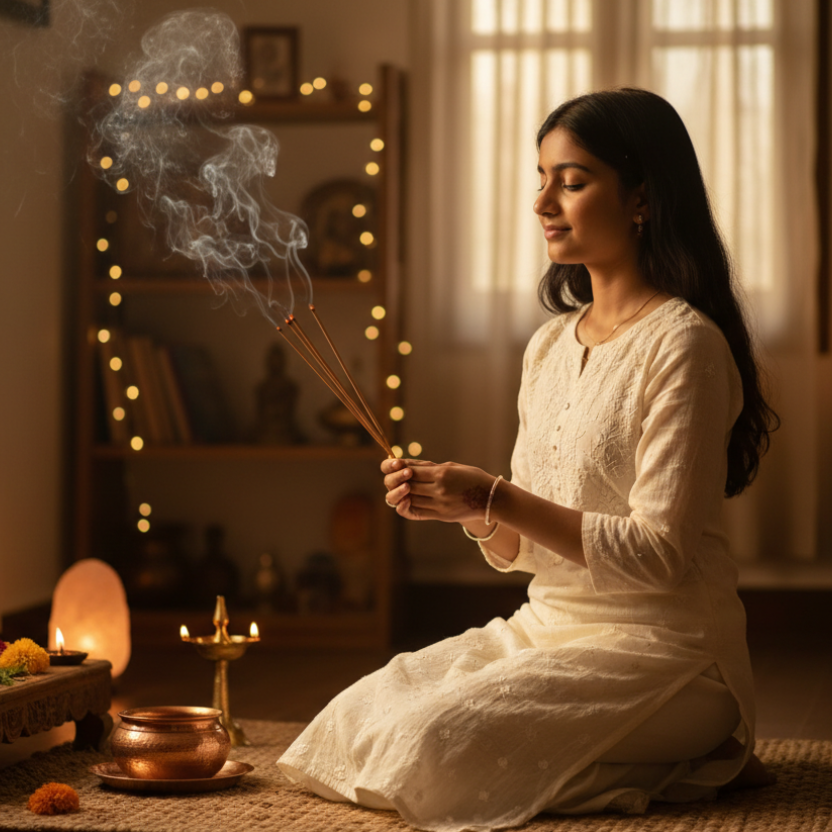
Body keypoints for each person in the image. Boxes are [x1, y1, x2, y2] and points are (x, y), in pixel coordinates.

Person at [277, 88, 779, 831]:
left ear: (642, 198)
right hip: (546, 629)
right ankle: (638, 765)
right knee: (348, 727)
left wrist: (497, 496)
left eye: (571, 182)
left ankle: (700, 753)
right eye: (540, 178)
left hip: (669, 656)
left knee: (430, 749)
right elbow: (520, 556)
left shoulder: (685, 345)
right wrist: (472, 509)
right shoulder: (548, 346)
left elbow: (661, 557)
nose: (543, 201)